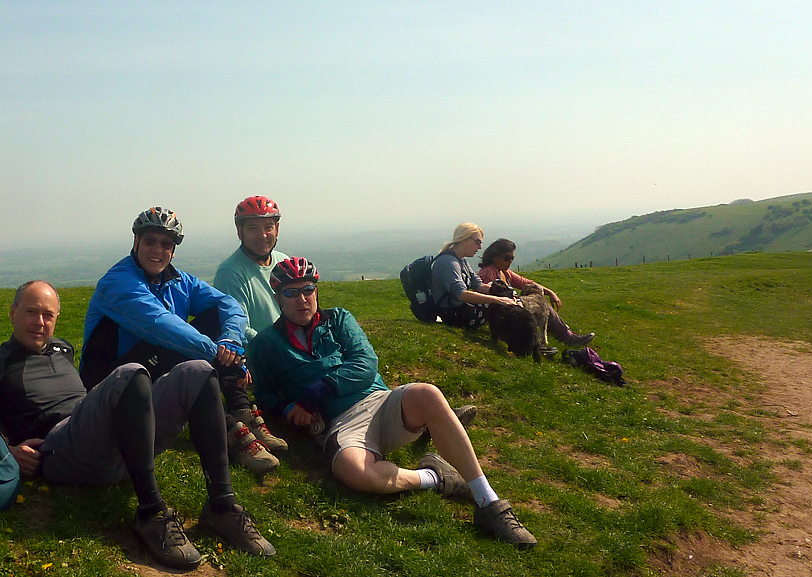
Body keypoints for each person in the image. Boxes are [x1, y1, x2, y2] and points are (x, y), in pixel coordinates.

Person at [0, 281, 275, 570]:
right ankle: (151, 512)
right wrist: (9, 450)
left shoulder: (62, 348)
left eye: (48, 314)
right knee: (131, 373)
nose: (40, 322)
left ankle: (222, 507)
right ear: (12, 313)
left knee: (199, 370)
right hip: (60, 449)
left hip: (114, 439)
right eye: (31, 312)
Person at [247, 257, 537, 548]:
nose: (302, 299)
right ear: (277, 298)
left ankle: (489, 502)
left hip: (380, 401)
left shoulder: (338, 319)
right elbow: (264, 392)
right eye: (291, 292)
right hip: (342, 423)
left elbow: (365, 363)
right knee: (354, 471)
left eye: (308, 289)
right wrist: (286, 409)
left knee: (428, 394)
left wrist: (316, 392)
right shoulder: (265, 343)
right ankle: (434, 476)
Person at [80, 206, 279, 474]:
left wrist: (231, 342)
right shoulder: (118, 283)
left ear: (173, 250)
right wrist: (223, 356)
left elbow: (229, 304)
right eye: (150, 241)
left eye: (166, 244)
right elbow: (163, 327)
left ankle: (240, 408)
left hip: (153, 366)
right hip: (111, 382)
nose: (157, 250)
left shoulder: (178, 280)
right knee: (184, 346)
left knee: (215, 318)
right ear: (136, 242)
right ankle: (229, 427)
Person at [212, 196, 290, 457]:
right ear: (240, 232)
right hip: (258, 354)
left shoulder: (283, 261)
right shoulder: (230, 272)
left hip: (290, 345)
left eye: (268, 227)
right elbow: (238, 327)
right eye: (253, 228)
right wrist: (282, 348)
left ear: (277, 229)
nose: (263, 235)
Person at [477, 238, 595, 348]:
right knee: (542, 305)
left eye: (512, 258)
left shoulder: (504, 272)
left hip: (511, 308)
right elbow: (490, 296)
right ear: (495, 257)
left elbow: (527, 283)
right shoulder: (488, 273)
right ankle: (566, 337)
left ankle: (563, 335)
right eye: (507, 258)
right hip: (503, 312)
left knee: (540, 303)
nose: (510, 262)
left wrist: (550, 292)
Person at [430, 223, 520, 329]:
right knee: (499, 304)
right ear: (464, 240)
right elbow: (462, 294)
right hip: (453, 314)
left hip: (459, 309)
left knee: (501, 289)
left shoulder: (461, 260)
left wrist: (506, 295)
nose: (480, 247)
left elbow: (478, 285)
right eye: (477, 242)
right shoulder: (448, 263)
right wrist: (498, 300)